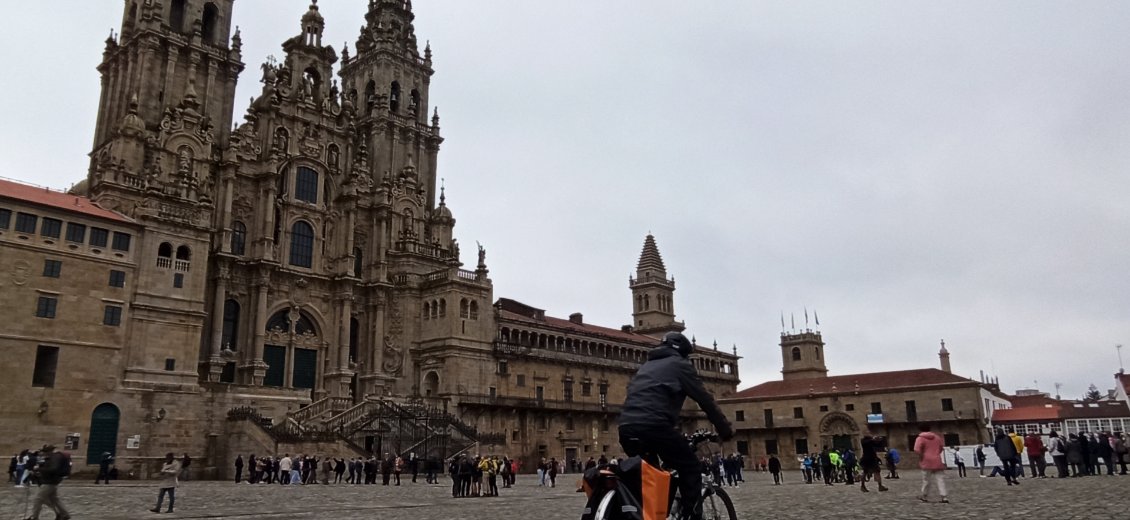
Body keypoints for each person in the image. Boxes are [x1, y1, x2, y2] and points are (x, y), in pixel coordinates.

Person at [618, 332, 734, 520]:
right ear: (682, 352)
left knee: (653, 477)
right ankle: (690, 516)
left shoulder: (646, 367)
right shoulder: (680, 365)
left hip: (626, 427)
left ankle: (653, 513)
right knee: (691, 468)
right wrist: (724, 429)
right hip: (655, 427)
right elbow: (705, 400)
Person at [26, 444, 70, 520]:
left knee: (38, 499)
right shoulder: (53, 457)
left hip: (49, 482)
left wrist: (39, 469)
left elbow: (53, 469)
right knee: (54, 499)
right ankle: (64, 514)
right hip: (52, 481)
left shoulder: (55, 458)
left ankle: (34, 517)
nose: (43, 453)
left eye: (45, 451)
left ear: (49, 451)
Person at [914, 425, 947, 503]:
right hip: (937, 460)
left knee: (926, 480)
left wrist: (922, 456)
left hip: (926, 461)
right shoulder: (937, 437)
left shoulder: (920, 438)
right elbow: (941, 447)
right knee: (940, 479)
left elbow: (916, 450)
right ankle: (944, 497)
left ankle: (924, 496)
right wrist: (936, 454)